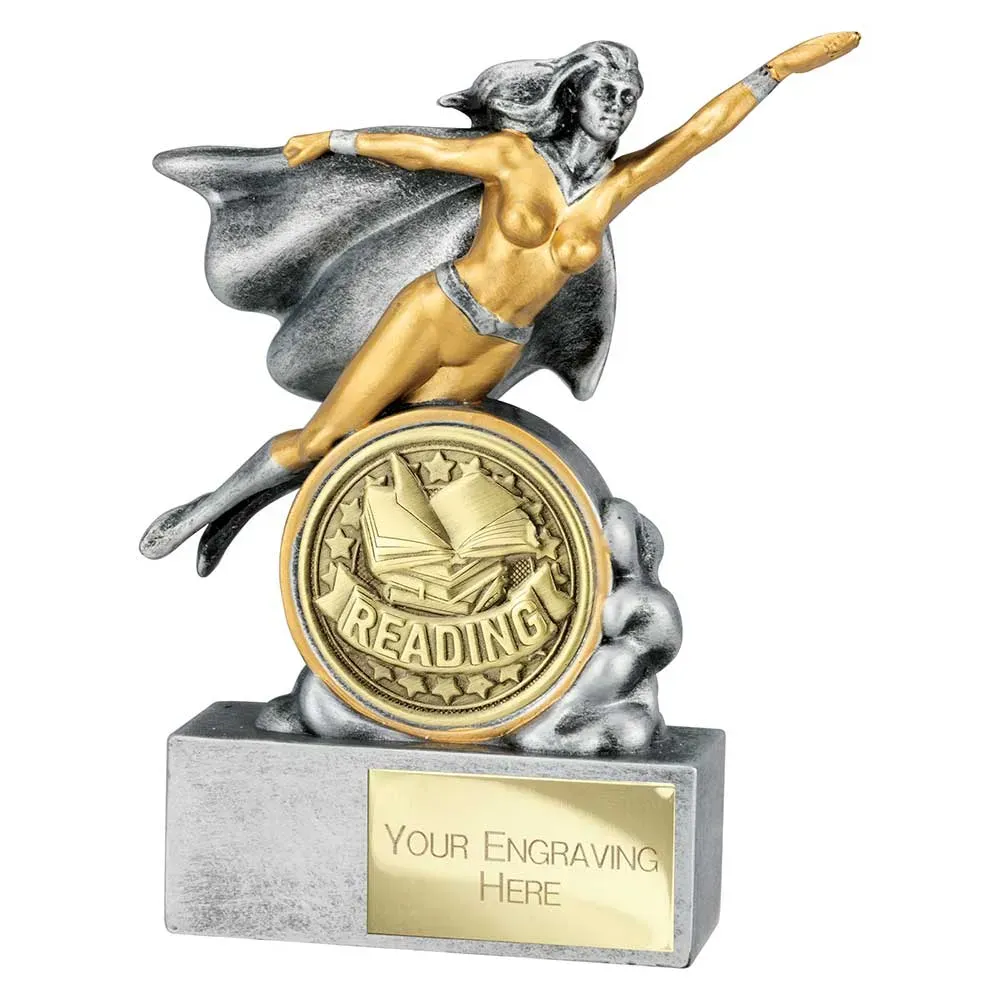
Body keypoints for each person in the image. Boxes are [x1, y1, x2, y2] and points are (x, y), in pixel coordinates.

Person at [141, 32, 860, 571]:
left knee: (392, 443)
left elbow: (702, 132)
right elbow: (424, 152)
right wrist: (335, 139)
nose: (619, 107)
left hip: (498, 346)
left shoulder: (617, 187)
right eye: (606, 93)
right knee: (325, 439)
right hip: (438, 313)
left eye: (630, 97)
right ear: (574, 98)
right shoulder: (516, 158)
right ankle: (208, 506)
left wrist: (779, 70)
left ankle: (272, 498)